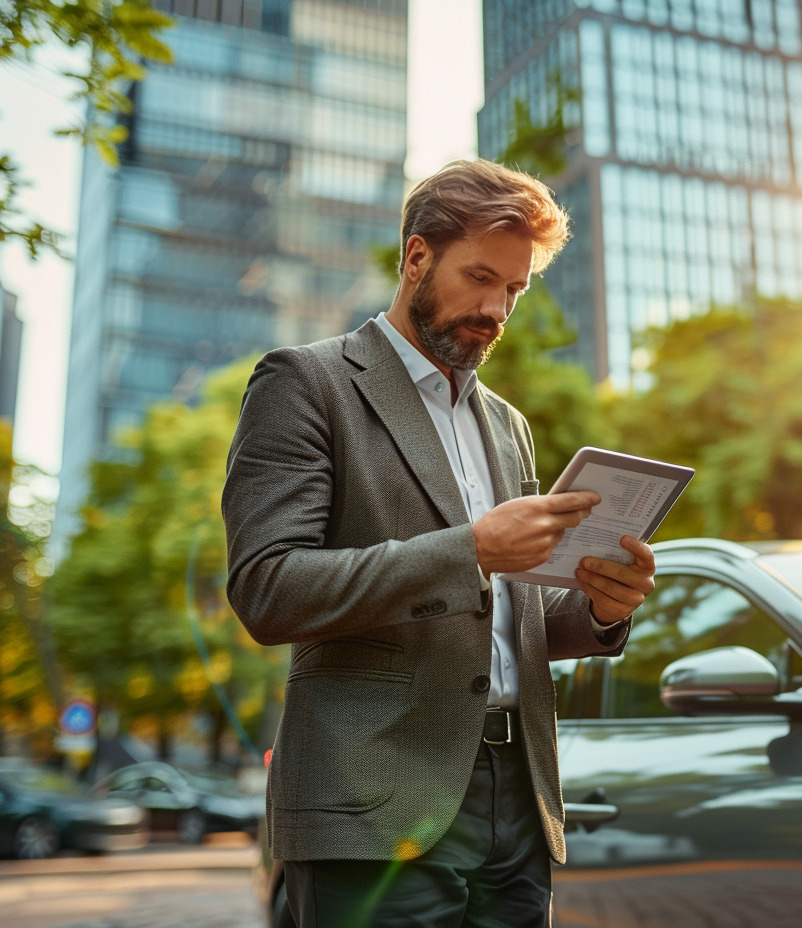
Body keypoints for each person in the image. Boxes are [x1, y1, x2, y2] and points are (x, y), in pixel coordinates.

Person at [222, 159, 655, 927]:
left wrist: (595, 610)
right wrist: (473, 550)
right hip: (374, 801)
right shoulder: (306, 384)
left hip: (517, 800)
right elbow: (269, 588)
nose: (496, 308)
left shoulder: (508, 425)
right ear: (417, 256)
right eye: (481, 277)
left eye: (515, 290)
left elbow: (497, 620)